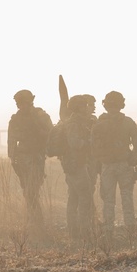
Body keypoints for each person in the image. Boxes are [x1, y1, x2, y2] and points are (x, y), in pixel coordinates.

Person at [91, 91, 137, 234]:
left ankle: (108, 229)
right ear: (121, 104)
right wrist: (133, 156)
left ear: (106, 105)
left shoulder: (99, 124)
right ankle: (130, 226)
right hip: (124, 164)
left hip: (107, 166)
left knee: (108, 199)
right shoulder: (128, 122)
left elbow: (93, 147)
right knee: (127, 196)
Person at [49, 94, 97, 240]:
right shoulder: (74, 124)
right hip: (77, 165)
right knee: (84, 198)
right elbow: (75, 143)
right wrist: (90, 142)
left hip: (73, 165)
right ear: (79, 108)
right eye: (84, 105)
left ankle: (74, 232)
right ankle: (84, 233)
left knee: (74, 198)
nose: (87, 108)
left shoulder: (72, 122)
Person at [7, 89, 53, 230]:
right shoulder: (16, 119)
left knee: (32, 190)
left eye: (23, 102)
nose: (20, 106)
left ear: (30, 101)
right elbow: (12, 141)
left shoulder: (40, 116)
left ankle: (36, 221)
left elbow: (51, 135)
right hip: (22, 158)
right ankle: (34, 220)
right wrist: (13, 158)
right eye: (18, 103)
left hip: (36, 156)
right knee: (27, 190)